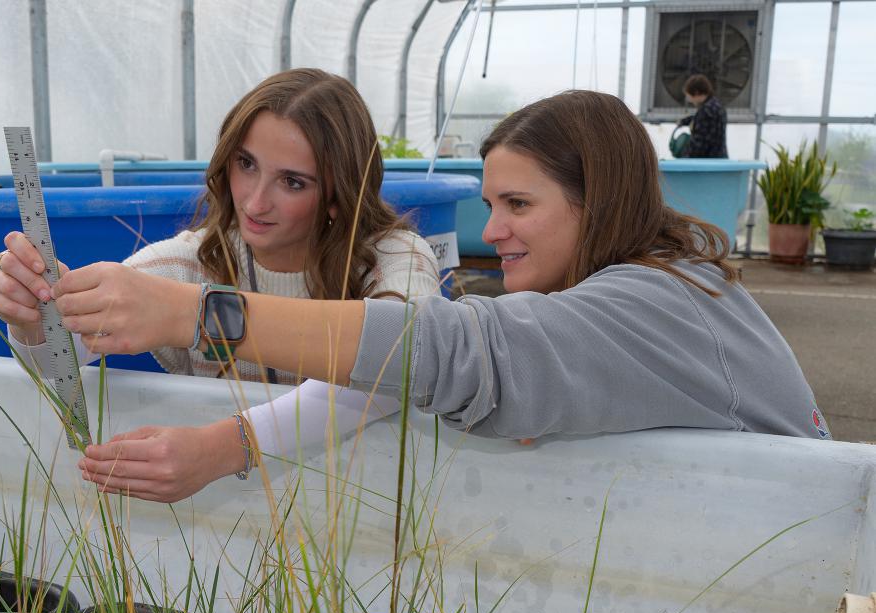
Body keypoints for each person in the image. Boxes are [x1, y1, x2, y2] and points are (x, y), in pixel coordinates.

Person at [42, 89, 829, 504]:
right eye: (490, 205)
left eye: (519, 206)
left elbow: (444, 347)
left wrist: (199, 318)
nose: (494, 232)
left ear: (603, 202)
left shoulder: (656, 301)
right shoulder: (666, 283)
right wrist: (32, 314)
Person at [0, 68, 440, 500]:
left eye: (292, 182)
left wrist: (224, 448)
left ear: (341, 196)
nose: (255, 200)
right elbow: (60, 361)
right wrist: (33, 316)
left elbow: (407, 359)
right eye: (246, 164)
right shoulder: (184, 263)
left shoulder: (396, 260)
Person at [677, 74, 727, 158]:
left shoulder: (705, 111)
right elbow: (703, 122)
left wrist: (683, 159)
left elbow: (698, 145)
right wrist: (684, 121)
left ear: (696, 93)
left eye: (689, 96)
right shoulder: (718, 106)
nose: (689, 100)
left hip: (706, 164)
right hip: (719, 159)